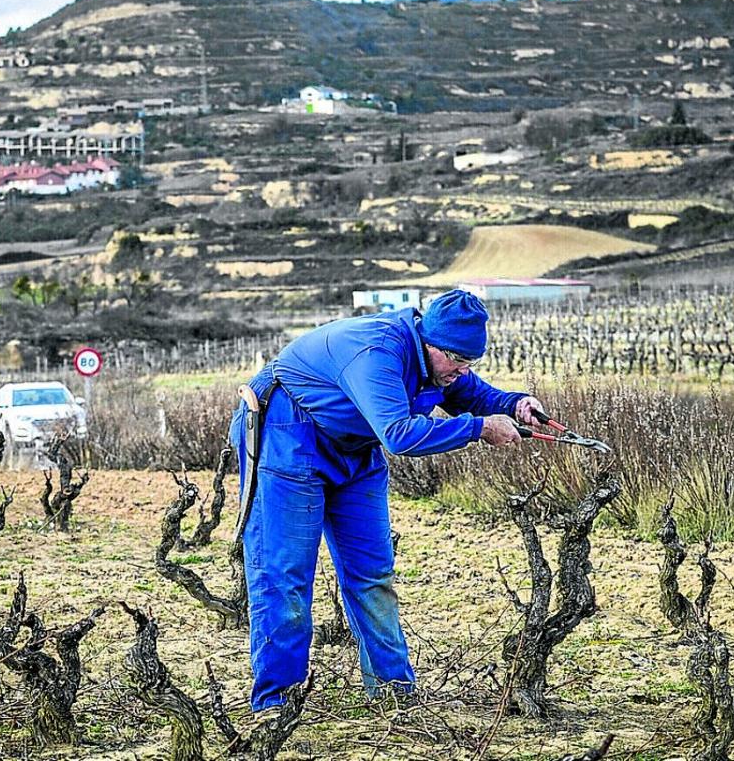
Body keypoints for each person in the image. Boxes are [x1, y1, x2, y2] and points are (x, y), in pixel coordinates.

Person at [229, 289, 544, 711]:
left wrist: (514, 404)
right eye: (457, 361)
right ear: (431, 342)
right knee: (285, 575)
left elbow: (472, 394)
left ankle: (394, 694)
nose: (462, 371)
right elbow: (398, 435)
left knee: (373, 573)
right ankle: (275, 703)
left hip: (355, 448)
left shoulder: (440, 360)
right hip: (288, 433)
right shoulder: (379, 352)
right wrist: (479, 429)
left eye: (470, 362)